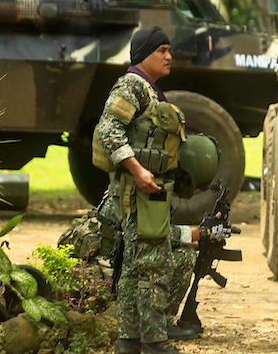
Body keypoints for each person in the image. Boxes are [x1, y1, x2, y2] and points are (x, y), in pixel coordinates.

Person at [96, 26, 184, 354]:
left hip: (144, 189)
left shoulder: (148, 89)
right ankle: (155, 341)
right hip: (139, 190)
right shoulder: (132, 85)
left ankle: (129, 340)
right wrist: (138, 170)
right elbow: (108, 128)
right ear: (144, 54)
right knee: (155, 263)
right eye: (161, 50)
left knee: (134, 266)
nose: (168, 56)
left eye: (169, 49)